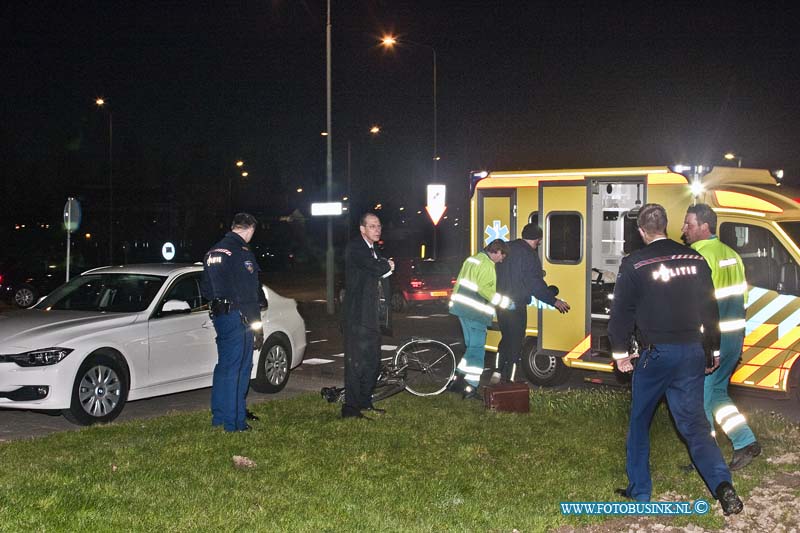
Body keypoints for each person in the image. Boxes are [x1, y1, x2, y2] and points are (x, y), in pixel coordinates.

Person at [608, 203, 743, 515]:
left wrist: (620, 354)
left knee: (640, 423)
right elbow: (710, 309)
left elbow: (621, 314)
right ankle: (723, 486)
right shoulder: (695, 258)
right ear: (666, 225)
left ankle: (640, 493)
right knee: (695, 425)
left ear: (642, 231)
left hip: (656, 355)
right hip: (692, 352)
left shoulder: (636, 263)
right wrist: (713, 351)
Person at [683, 203, 760, 470]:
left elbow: (694, 305)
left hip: (710, 341)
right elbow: (744, 297)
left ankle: (706, 457)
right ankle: (745, 442)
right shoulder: (732, 255)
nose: (684, 230)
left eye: (689, 225)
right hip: (734, 336)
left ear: (705, 227)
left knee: (700, 397)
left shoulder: (696, 257)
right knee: (716, 392)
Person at [201, 213, 264, 432]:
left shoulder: (212, 252)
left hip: (220, 315)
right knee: (239, 369)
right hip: (239, 316)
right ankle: (235, 423)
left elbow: (207, 290)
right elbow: (249, 293)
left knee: (224, 367)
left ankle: (219, 417)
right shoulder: (241, 253)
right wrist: (257, 325)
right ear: (250, 229)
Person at [495, 224, 570, 383]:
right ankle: (510, 380)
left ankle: (496, 372)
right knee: (515, 343)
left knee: (505, 339)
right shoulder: (529, 255)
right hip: (516, 306)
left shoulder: (507, 248)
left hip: (501, 304)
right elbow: (533, 283)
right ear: (538, 240)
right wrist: (553, 300)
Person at [341, 212, 395, 419]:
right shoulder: (356, 248)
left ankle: (365, 401)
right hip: (357, 318)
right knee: (356, 364)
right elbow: (374, 267)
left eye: (379, 226)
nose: (377, 229)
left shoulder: (374, 249)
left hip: (372, 318)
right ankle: (350, 408)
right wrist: (386, 265)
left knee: (372, 362)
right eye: (372, 226)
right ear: (362, 229)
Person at [448, 239, 509, 399]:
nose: (502, 260)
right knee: (477, 351)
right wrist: (505, 303)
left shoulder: (472, 259)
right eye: (502, 256)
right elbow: (485, 290)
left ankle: (456, 379)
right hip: (475, 312)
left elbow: (460, 283)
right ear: (496, 252)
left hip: (462, 309)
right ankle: (471, 388)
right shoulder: (488, 265)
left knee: (471, 347)